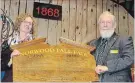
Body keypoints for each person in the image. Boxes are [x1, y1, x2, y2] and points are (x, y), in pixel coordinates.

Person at [87, 11, 134, 82]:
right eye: (102, 22)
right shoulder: (92, 43)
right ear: (99, 25)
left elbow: (129, 59)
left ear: (114, 25)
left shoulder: (124, 40)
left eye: (108, 22)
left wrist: (107, 67)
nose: (105, 25)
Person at [1, 13, 37, 82]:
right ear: (19, 23)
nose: (28, 24)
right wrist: (11, 58)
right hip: (11, 78)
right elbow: (1, 66)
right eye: (25, 22)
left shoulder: (36, 44)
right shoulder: (8, 42)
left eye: (30, 23)